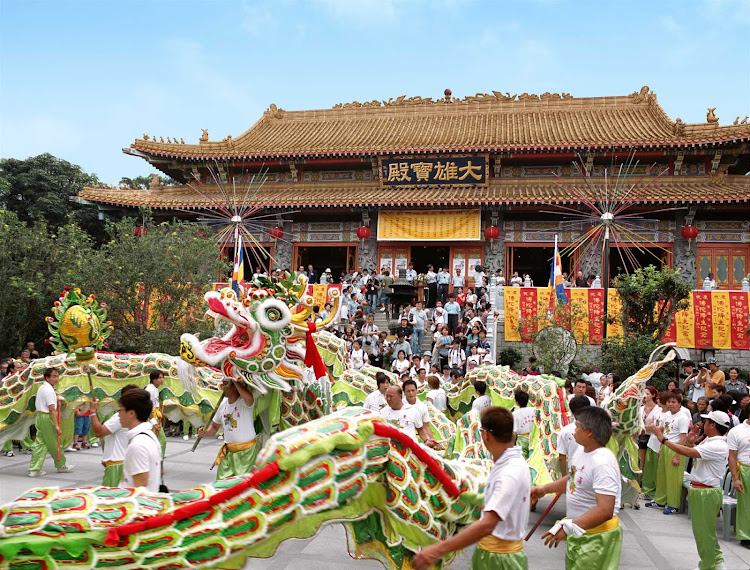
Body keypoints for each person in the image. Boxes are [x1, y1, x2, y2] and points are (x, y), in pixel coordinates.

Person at [413, 407, 531, 570]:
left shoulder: (508, 473)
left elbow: (487, 524)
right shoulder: (510, 462)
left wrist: (437, 550)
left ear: (486, 435)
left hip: (500, 560)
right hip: (493, 554)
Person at [531, 407, 622, 569]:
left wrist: (568, 527)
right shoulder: (582, 451)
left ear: (589, 432)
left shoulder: (603, 462)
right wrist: (544, 489)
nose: (574, 429)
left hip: (597, 537)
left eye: (577, 425)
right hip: (580, 530)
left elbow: (605, 510)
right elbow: (573, 478)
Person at [652, 410, 731, 567]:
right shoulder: (711, 441)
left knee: (704, 534)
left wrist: (663, 440)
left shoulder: (717, 444)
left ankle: (707, 565)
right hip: (702, 491)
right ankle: (717, 563)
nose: (703, 424)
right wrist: (690, 441)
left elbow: (689, 452)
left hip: (706, 493)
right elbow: (693, 450)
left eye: (706, 422)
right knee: (705, 532)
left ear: (713, 425)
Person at [198, 378, 257, 479]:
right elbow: (214, 426)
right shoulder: (222, 405)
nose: (222, 387)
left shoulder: (244, 402)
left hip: (246, 453)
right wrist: (205, 433)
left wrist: (235, 381)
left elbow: (249, 398)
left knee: (240, 486)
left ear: (234, 386)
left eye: (225, 384)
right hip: (228, 452)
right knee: (222, 483)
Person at [646, 391, 689, 514]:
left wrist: (678, 456)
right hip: (665, 446)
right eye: (669, 402)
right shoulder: (668, 415)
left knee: (673, 478)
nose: (670, 404)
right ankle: (660, 501)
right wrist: (660, 448)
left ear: (679, 403)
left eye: (674, 402)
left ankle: (673, 505)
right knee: (662, 476)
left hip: (676, 448)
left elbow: (683, 438)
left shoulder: (683, 417)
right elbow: (663, 432)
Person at [89, 384, 139, 486]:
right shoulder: (139, 415)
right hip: (129, 463)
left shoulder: (120, 417)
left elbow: (99, 432)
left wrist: (93, 412)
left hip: (117, 464)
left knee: (110, 499)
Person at [29, 368, 74, 477]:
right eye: (54, 376)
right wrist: (57, 425)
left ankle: (35, 468)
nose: (56, 378)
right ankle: (61, 465)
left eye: (57, 376)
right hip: (47, 417)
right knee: (55, 441)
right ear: (47, 378)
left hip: (40, 416)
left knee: (41, 442)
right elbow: (52, 410)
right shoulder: (49, 390)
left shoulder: (42, 388)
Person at [119, 388, 162, 491]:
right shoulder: (149, 436)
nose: (118, 414)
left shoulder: (138, 445)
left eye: (120, 410)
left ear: (131, 413)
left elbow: (140, 491)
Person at [729, 405, 750, 550]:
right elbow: (732, 456)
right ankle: (745, 535)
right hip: (745, 470)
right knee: (746, 505)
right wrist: (735, 478)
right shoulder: (737, 431)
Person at [557, 395, 592, 475]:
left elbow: (562, 458)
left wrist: (564, 477)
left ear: (572, 412)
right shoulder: (598, 427)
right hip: (593, 473)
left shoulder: (565, 431)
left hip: (574, 473)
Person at [638, 386, 659, 486]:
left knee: (650, 462)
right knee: (641, 461)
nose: (645, 396)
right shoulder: (640, 408)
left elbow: (654, 425)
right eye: (643, 393)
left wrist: (645, 427)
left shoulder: (658, 409)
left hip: (653, 437)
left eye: (647, 393)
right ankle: (641, 481)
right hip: (641, 436)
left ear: (653, 395)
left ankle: (651, 483)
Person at [145, 370, 167, 459]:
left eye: (162, 378)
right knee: (160, 439)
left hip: (156, 415)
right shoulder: (149, 390)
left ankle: (156, 458)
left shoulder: (155, 388)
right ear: (154, 379)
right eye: (159, 378)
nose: (162, 380)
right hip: (151, 417)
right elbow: (147, 407)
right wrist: (153, 422)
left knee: (157, 439)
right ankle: (157, 459)